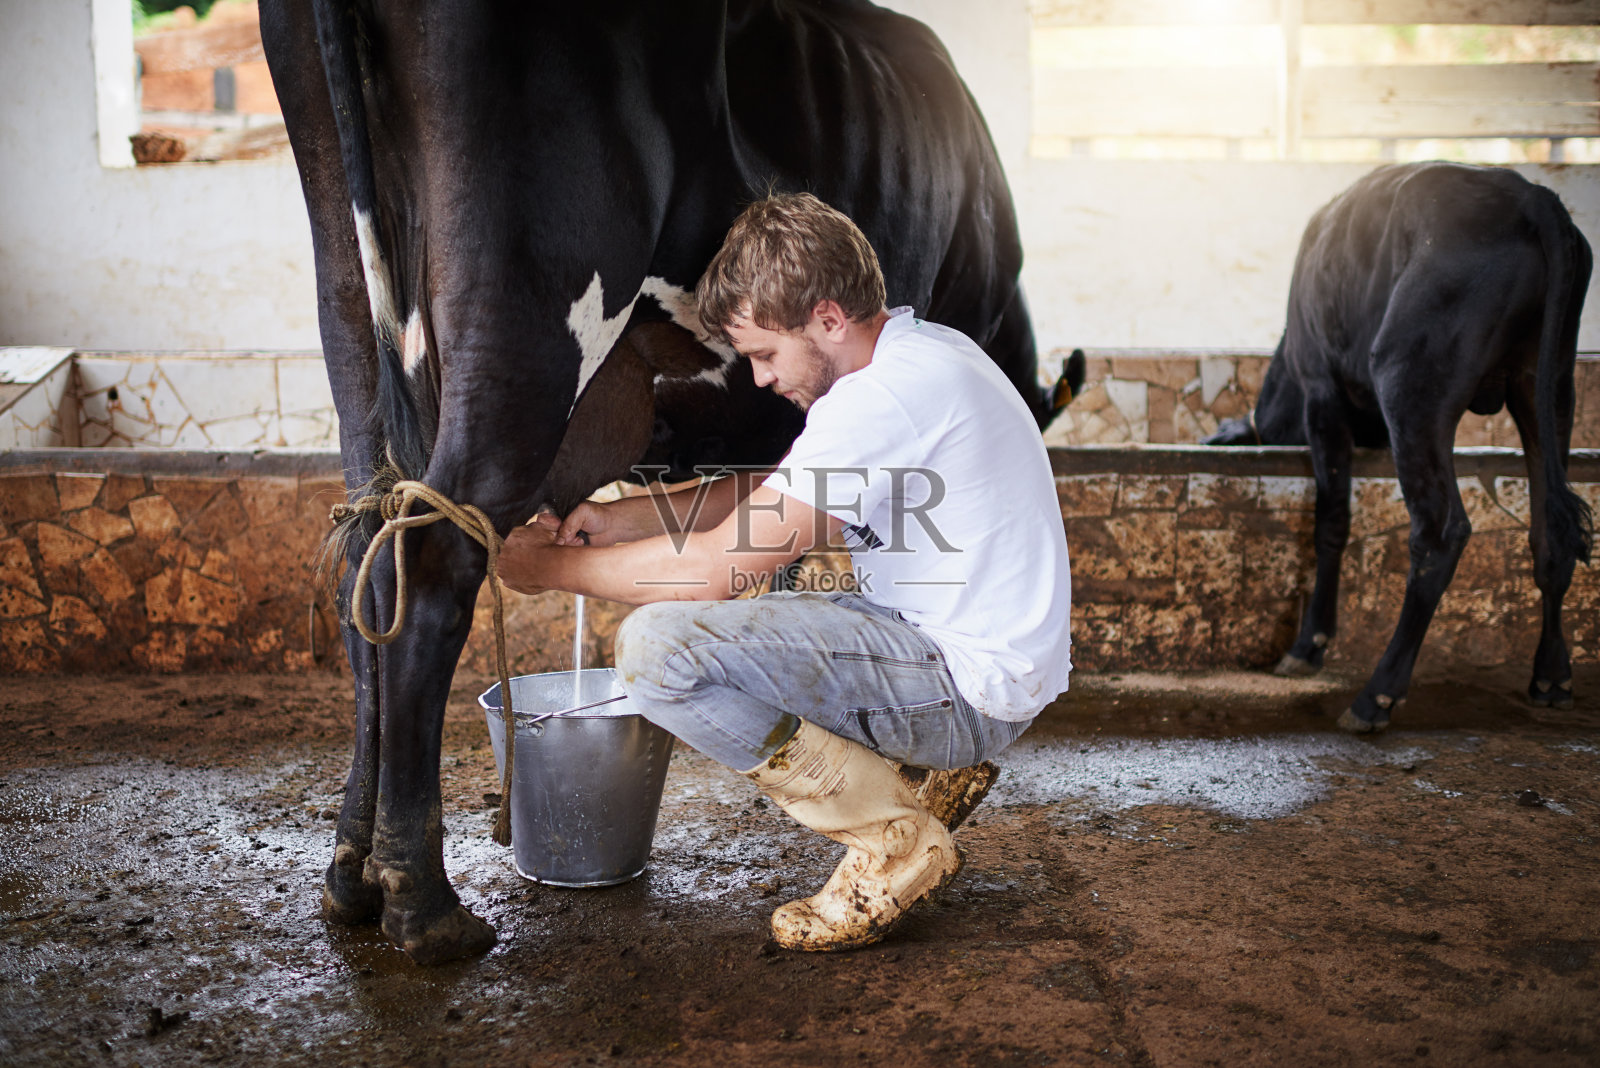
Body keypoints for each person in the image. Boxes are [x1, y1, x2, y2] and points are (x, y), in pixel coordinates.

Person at [499, 192, 1071, 951]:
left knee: (659, 652)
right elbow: (770, 495)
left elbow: (715, 570)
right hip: (960, 654)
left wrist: (551, 569)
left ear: (829, 319)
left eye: (767, 354)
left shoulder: (886, 397)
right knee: (777, 592)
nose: (762, 379)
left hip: (965, 687)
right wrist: (622, 517)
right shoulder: (918, 355)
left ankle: (893, 833)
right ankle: (916, 783)